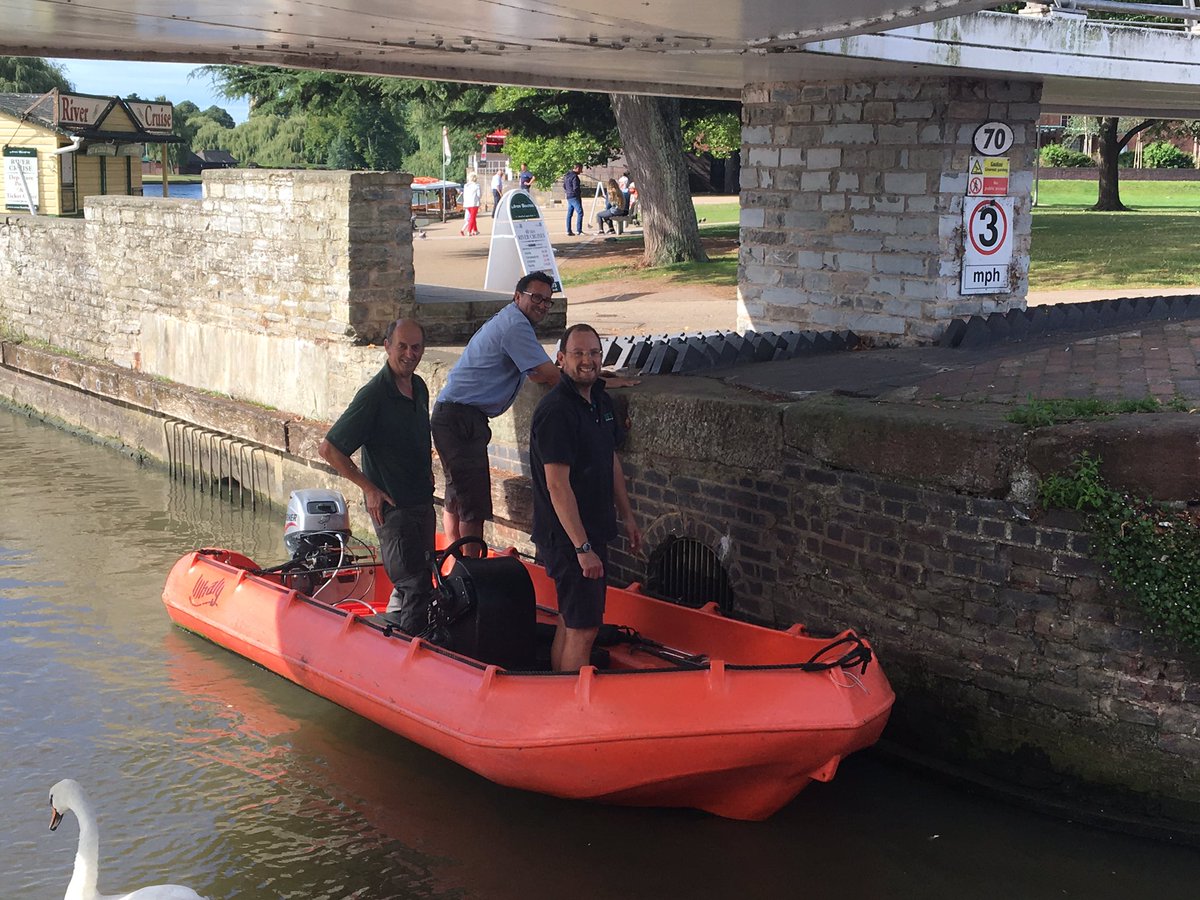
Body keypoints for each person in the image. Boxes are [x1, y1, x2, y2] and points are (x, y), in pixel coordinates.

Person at [530, 323, 641, 672]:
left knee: (571, 620)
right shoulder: (556, 412)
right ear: (561, 359)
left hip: (594, 530)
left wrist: (627, 516)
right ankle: (570, 708)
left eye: (593, 353)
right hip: (568, 538)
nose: (587, 360)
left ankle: (557, 694)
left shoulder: (601, 402)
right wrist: (582, 548)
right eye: (578, 353)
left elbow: (610, 459)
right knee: (584, 628)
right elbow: (557, 486)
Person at [431, 272, 563, 555]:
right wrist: (595, 384)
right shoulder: (515, 325)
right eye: (536, 298)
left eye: (547, 301)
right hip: (461, 419)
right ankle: (470, 573)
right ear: (518, 296)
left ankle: (455, 567)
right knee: (473, 505)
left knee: (456, 497)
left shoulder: (510, 320)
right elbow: (551, 375)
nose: (542, 305)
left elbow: (537, 372)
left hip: (452, 416)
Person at [318, 319, 435, 634]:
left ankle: (400, 635)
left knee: (425, 576)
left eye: (416, 347)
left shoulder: (419, 388)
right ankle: (411, 661)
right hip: (393, 508)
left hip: (422, 503)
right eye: (402, 346)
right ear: (386, 346)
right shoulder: (374, 395)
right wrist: (368, 488)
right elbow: (329, 449)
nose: (409, 354)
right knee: (413, 584)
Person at [563, 163, 584, 237]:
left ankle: (568, 230)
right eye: (581, 169)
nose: (581, 171)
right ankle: (579, 230)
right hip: (574, 196)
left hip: (569, 196)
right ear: (577, 168)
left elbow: (564, 186)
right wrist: (578, 194)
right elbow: (576, 188)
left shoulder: (566, 176)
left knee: (569, 214)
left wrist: (568, 192)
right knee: (580, 212)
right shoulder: (575, 177)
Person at [460, 171, 481, 236]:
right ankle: (469, 231)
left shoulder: (466, 186)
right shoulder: (477, 186)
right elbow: (479, 195)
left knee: (473, 217)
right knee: (472, 217)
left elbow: (464, 195)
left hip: (467, 203)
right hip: (474, 203)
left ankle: (475, 230)